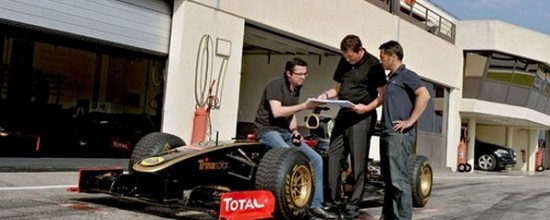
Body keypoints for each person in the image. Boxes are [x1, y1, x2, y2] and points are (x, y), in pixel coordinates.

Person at [254, 57, 337, 219]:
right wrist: (305, 106)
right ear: (288, 73)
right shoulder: (275, 85)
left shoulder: (296, 88)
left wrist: (294, 131)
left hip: (285, 132)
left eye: (306, 74)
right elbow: (277, 112)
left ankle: (315, 205)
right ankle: (287, 204)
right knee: (288, 156)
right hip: (267, 131)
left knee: (316, 159)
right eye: (300, 74)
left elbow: (290, 114)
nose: (303, 77)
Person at [317, 34, 387, 218]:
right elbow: (336, 89)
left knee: (358, 163)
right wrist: (325, 95)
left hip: (363, 117)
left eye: (350, 56)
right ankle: (332, 203)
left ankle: (353, 205)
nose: (348, 59)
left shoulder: (374, 65)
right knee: (334, 157)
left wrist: (366, 109)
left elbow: (382, 96)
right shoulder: (343, 62)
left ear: (360, 50)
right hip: (344, 113)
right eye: (345, 56)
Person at [378, 40, 430, 220]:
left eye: (382, 57)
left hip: (398, 136)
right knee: (389, 180)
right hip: (387, 133)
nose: (380, 61)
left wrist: (410, 121)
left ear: (392, 57)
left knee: (398, 181)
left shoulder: (406, 75)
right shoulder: (391, 78)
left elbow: (424, 95)